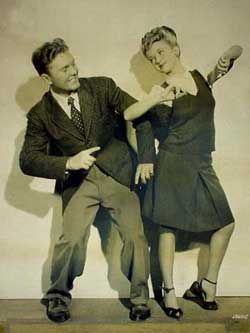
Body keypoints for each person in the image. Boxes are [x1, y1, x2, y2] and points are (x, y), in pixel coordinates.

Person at [19, 38, 151, 323]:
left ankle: (140, 298)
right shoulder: (40, 114)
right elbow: (28, 159)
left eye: (73, 64)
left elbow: (140, 115)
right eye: (64, 69)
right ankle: (57, 296)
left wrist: (146, 158)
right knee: (71, 240)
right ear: (46, 77)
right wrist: (68, 162)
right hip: (79, 183)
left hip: (118, 174)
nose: (73, 71)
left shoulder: (102, 87)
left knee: (135, 237)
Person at [124, 26, 241, 320]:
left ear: (176, 49)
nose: (157, 60)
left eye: (161, 52)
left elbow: (235, 51)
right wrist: (147, 155)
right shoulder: (162, 90)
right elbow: (134, 118)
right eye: (152, 58)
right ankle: (168, 290)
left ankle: (206, 284)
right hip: (173, 163)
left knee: (225, 224)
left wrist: (227, 57)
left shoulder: (201, 78)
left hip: (202, 162)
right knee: (168, 228)